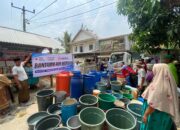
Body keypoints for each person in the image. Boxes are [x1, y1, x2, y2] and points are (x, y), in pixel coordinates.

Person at [141, 64, 180, 130]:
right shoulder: (170, 84)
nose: (153, 72)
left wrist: (145, 115)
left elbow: (153, 104)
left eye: (154, 70)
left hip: (155, 117)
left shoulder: (159, 86)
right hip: (165, 116)